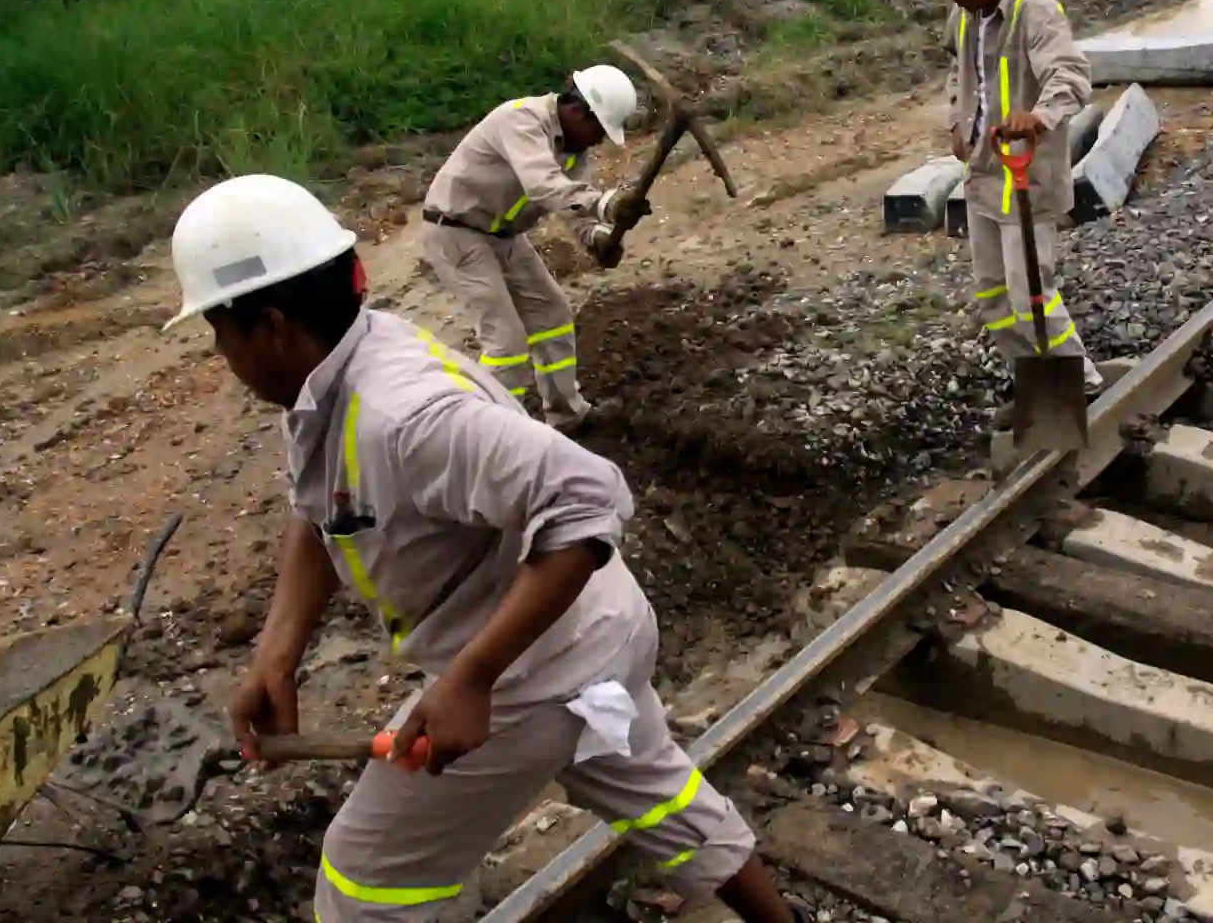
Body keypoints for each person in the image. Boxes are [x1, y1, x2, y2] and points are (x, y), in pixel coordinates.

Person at [165, 174, 805, 923]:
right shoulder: (325, 384)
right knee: (661, 794)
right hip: (600, 635)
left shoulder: (402, 418)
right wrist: (276, 654)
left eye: (219, 331)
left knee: (363, 881)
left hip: (537, 675)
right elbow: (320, 511)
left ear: (271, 326)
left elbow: (587, 498)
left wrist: (472, 677)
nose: (219, 353)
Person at [923, 0, 1105, 424]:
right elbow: (961, 75)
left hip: (1027, 178)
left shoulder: (1036, 11)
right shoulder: (963, 16)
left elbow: (1071, 76)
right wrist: (956, 121)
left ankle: (1082, 386)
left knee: (1032, 298)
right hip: (984, 177)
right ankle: (1034, 387)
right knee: (993, 297)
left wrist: (1039, 116)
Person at [421, 65, 652, 434]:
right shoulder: (522, 121)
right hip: (456, 232)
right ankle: (488, 435)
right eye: (598, 130)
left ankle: (567, 415)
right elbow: (543, 186)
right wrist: (608, 204)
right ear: (577, 111)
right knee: (507, 344)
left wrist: (597, 238)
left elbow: (570, 206)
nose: (598, 141)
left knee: (553, 315)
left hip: (504, 237)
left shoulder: (574, 153)